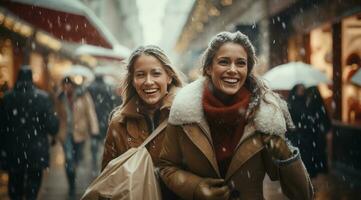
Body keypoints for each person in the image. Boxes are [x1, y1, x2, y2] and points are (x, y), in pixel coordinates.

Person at [159, 31, 314, 200]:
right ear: (209, 68)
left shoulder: (265, 116)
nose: (233, 70)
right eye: (224, 62)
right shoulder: (183, 111)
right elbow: (167, 166)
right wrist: (196, 188)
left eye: (241, 63)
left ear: (247, 70)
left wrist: (286, 157)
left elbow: (303, 195)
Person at [101, 45, 183, 198]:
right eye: (140, 75)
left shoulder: (186, 116)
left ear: (169, 77)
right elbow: (108, 179)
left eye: (156, 73)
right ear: (132, 80)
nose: (148, 81)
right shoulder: (119, 123)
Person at [0, 67, 59, 200]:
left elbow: (2, 125)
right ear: (31, 78)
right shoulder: (42, 98)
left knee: (15, 185)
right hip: (36, 152)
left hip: (13, 151)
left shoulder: (8, 98)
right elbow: (52, 126)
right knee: (33, 186)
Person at [56, 76, 99, 198]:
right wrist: (55, 134)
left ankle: (73, 172)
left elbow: (90, 112)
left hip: (80, 133)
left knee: (76, 159)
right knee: (69, 159)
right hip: (66, 134)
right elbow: (57, 115)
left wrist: (94, 130)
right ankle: (71, 186)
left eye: (68, 84)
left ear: (73, 85)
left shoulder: (83, 95)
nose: (66, 87)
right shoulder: (60, 98)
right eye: (64, 85)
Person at [87, 74, 121, 175]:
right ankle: (104, 161)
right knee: (104, 141)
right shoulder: (107, 88)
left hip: (93, 117)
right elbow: (112, 102)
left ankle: (94, 161)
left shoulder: (89, 88)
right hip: (104, 117)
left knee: (94, 141)